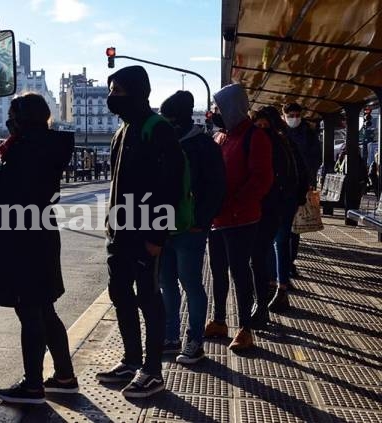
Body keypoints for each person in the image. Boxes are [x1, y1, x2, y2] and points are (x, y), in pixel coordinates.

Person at [0, 93, 76, 405]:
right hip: (42, 233)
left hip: (22, 239)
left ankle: (32, 386)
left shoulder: (25, 149)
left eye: (12, 115)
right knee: (44, 308)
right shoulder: (49, 146)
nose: (8, 121)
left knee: (29, 310)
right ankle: (64, 376)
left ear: (21, 119)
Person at [96, 66, 184, 398]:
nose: (112, 97)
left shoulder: (156, 128)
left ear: (138, 91)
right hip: (119, 233)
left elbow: (170, 185)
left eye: (118, 91)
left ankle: (152, 370)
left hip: (145, 234)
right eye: (111, 90)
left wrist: (156, 237)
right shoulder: (122, 131)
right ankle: (131, 360)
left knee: (149, 298)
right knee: (120, 295)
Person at [158, 91, 225, 364]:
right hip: (164, 227)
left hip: (189, 229)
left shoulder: (203, 146)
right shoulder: (181, 143)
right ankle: (171, 337)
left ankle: (194, 340)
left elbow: (216, 187)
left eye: (169, 117)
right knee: (168, 284)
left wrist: (201, 222)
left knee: (190, 284)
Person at [204, 84, 273, 351]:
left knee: (240, 272)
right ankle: (220, 320)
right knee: (218, 272)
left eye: (218, 107)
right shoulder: (222, 137)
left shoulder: (256, 137)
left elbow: (261, 179)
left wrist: (234, 203)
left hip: (241, 219)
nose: (214, 112)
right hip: (218, 219)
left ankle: (245, 327)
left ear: (232, 107)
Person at [251, 106, 308, 315]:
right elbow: (302, 169)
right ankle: (278, 286)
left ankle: (274, 286)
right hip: (285, 200)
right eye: (258, 125)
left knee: (272, 242)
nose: (261, 128)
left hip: (277, 201)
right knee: (278, 243)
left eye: (264, 124)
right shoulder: (286, 141)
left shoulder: (269, 142)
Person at [282, 103, 321, 279]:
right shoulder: (280, 132)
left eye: (297, 115)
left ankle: (290, 263)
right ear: (284, 115)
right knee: (284, 229)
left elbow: (315, 159)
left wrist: (310, 181)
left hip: (301, 185)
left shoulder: (308, 133)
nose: (294, 118)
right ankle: (284, 264)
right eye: (291, 115)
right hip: (283, 186)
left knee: (295, 227)